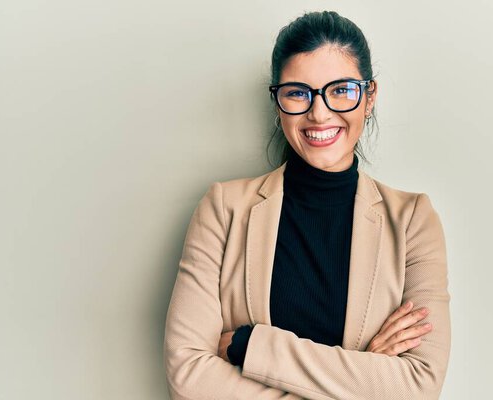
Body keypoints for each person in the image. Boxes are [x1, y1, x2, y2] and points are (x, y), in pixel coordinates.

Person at [164, 10, 450, 400]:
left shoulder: (413, 221)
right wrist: (363, 373)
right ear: (278, 101)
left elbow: (417, 386)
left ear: (369, 97)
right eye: (298, 92)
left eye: (341, 90)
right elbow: (189, 379)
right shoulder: (223, 210)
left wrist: (249, 346)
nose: (318, 112)